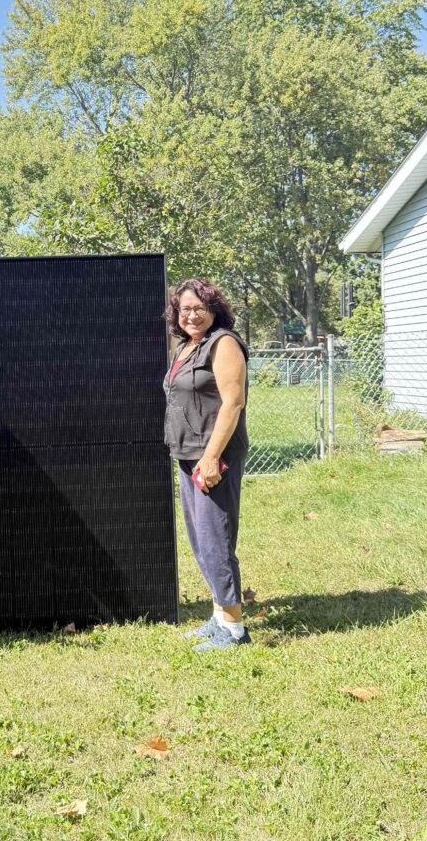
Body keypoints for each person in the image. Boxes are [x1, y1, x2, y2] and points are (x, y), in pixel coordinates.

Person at [164, 277, 251, 651]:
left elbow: (233, 402)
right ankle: (219, 617)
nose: (192, 314)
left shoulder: (224, 343)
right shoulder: (186, 346)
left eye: (199, 307)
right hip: (188, 454)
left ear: (214, 309)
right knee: (202, 540)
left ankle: (234, 629)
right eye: (185, 308)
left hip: (213, 457)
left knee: (216, 539)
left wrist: (213, 457)